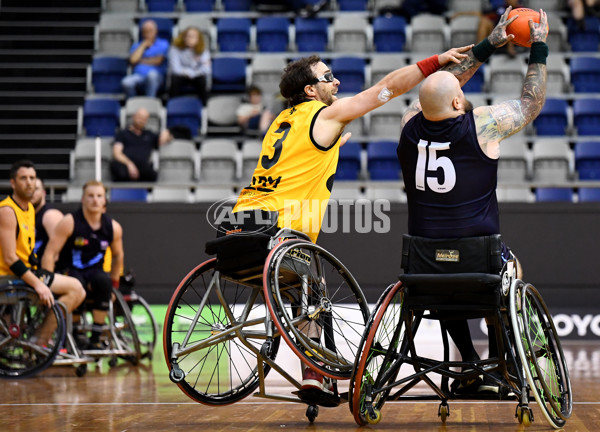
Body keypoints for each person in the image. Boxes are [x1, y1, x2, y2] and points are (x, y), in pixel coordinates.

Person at [226, 44, 474, 398]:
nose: (337, 82)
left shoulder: (282, 121)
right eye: (328, 77)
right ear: (310, 90)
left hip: (241, 221)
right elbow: (383, 90)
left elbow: (298, 163)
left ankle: (315, 370)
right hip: (281, 230)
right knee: (313, 289)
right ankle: (314, 372)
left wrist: (329, 148)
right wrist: (434, 62)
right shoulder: (322, 115)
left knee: (301, 287)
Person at [397, 7, 548, 393]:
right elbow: (531, 104)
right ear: (456, 104)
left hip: (423, 265)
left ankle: (469, 364)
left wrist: (486, 46)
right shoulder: (481, 125)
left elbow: (440, 90)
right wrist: (539, 49)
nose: (463, 95)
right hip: (480, 260)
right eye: (460, 94)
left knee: (445, 282)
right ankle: (503, 365)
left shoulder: (407, 128)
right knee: (507, 270)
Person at [0, 160, 86, 344]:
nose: (29, 182)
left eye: (32, 178)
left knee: (77, 288)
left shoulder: (29, 208)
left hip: (26, 272)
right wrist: (38, 284)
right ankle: (40, 340)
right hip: (8, 276)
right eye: (23, 178)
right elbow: (9, 257)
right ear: (13, 183)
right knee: (76, 289)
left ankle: (39, 337)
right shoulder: (7, 210)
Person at [42, 181, 125, 350]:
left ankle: (96, 336)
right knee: (76, 283)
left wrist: (115, 284)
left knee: (104, 282)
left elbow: (118, 256)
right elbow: (50, 254)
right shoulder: (69, 222)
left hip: (95, 272)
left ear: (104, 201)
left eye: (99, 196)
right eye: (91, 196)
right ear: (83, 199)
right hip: (70, 269)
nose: (95, 200)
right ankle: (77, 333)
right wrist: (47, 283)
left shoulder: (113, 227)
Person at [110, 107, 172, 182]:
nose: (141, 121)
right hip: (125, 164)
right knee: (119, 171)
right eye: (139, 117)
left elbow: (163, 139)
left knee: (152, 174)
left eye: (144, 119)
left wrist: (167, 134)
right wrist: (130, 164)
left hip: (142, 167)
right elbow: (117, 153)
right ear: (134, 116)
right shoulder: (122, 133)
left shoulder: (150, 135)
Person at [121, 19, 169, 99]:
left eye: (150, 31)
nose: (148, 33)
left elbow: (158, 61)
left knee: (151, 75)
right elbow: (133, 60)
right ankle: (134, 102)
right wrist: (143, 46)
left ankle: (150, 100)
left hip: (157, 77)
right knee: (126, 82)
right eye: (145, 31)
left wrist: (140, 61)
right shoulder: (137, 45)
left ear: (156, 31)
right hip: (138, 76)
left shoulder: (163, 44)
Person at [168, 26, 211, 105]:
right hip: (181, 75)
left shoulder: (204, 51)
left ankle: (204, 106)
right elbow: (175, 68)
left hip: (196, 76)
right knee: (174, 79)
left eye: (193, 36)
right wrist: (188, 72)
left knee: (202, 80)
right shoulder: (175, 49)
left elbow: (206, 69)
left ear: (198, 39)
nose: (189, 38)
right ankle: (172, 104)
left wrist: (193, 73)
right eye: (187, 36)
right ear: (183, 37)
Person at [31, 178, 64, 260]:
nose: (31, 192)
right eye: (29, 189)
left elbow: (59, 253)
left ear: (43, 193)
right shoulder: (25, 214)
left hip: (44, 270)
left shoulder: (50, 215)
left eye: (36, 189)